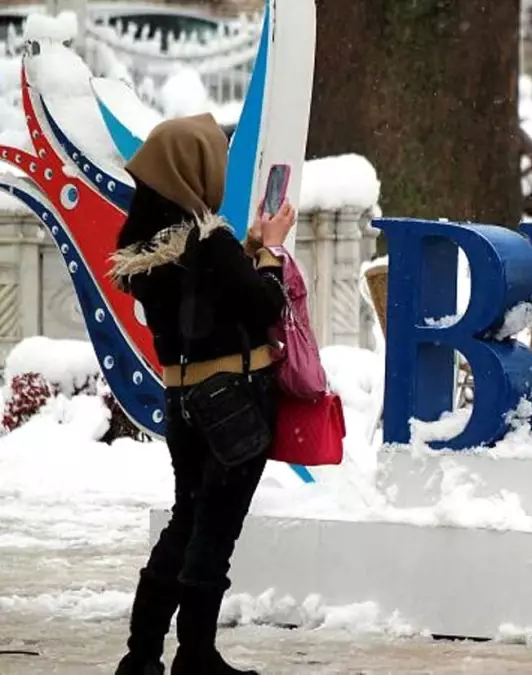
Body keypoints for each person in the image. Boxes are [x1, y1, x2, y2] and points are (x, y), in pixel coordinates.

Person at [108, 113, 296, 675]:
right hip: (234, 401)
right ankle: (196, 654)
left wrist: (243, 249)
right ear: (196, 172)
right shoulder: (208, 244)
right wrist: (270, 251)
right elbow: (264, 305)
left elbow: (206, 298)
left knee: (187, 519)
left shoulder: (141, 252)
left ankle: (141, 655)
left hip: (184, 404)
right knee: (215, 532)